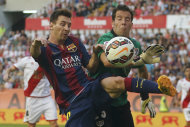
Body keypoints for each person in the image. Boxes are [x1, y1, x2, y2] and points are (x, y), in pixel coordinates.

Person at [30, 8, 177, 127]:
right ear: (51, 25)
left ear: (132, 23)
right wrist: (35, 44)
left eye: (69, 25)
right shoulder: (45, 48)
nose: (67, 28)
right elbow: (35, 53)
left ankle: (161, 88)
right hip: (73, 101)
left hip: (90, 88)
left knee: (117, 81)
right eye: (62, 24)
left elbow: (91, 67)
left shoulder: (74, 41)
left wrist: (94, 53)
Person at [90, 5, 156, 127]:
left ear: (131, 24)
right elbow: (107, 62)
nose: (123, 22)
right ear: (113, 22)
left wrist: (144, 96)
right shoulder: (106, 39)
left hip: (121, 101)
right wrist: (137, 60)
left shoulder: (135, 45)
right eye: (119, 18)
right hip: (100, 100)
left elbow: (142, 71)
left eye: (127, 19)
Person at [3, 56, 59, 127]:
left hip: (47, 97)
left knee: (54, 123)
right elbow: (12, 68)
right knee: (31, 125)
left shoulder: (48, 59)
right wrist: (7, 73)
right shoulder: (26, 60)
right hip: (33, 99)